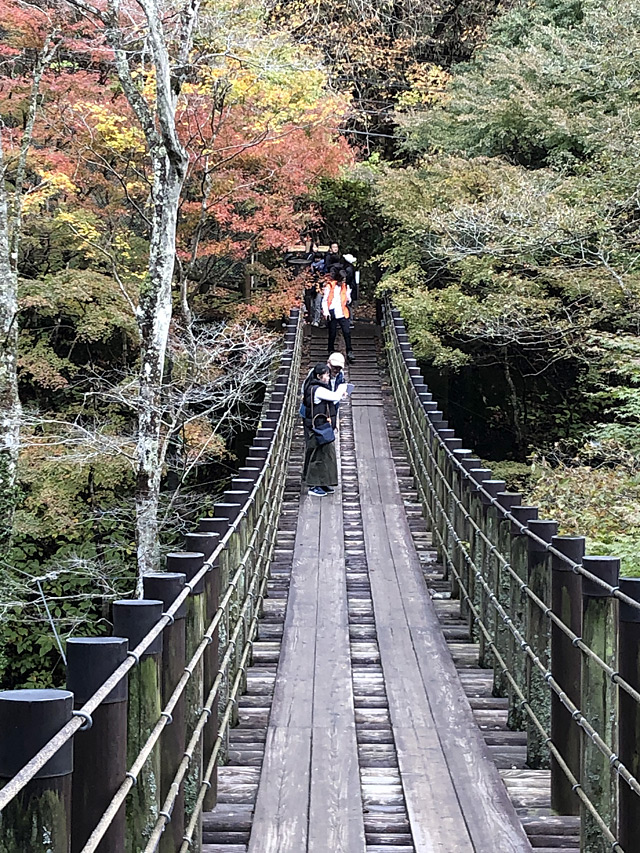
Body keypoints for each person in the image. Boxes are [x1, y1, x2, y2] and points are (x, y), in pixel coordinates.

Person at [302, 362, 347, 496]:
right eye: (326, 375)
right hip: (317, 428)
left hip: (321, 427)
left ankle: (323, 482)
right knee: (317, 456)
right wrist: (342, 387)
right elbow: (334, 396)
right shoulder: (317, 389)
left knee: (326, 455)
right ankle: (314, 486)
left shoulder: (316, 388)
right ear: (319, 376)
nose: (328, 377)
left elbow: (331, 400)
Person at [322, 268, 355, 363]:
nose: (343, 282)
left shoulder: (345, 287)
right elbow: (325, 300)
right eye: (342, 280)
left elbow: (348, 300)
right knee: (332, 333)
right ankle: (330, 349)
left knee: (347, 332)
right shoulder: (330, 286)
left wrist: (349, 296)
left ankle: (349, 351)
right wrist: (326, 312)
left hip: (342, 311)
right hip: (332, 311)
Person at [343, 253, 358, 328]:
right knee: (348, 304)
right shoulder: (351, 267)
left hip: (349, 287)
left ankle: (349, 320)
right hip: (351, 287)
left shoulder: (348, 269)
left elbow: (348, 279)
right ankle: (349, 320)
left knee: (348, 303)